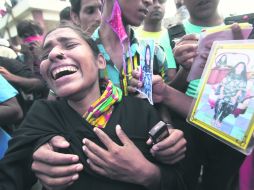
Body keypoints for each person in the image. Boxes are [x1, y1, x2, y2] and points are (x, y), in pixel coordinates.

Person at [0, 25, 186, 190]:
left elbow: (178, 181)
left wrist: (147, 174)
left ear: (100, 61)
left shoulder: (141, 111)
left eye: (70, 45)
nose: (54, 54)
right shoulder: (41, 115)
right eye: (45, 54)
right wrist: (33, 157)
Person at [131, 1, 246, 190]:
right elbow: (167, 88)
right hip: (186, 123)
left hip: (230, 126)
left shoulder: (241, 29)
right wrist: (185, 70)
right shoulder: (172, 34)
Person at [135, 0, 176, 81]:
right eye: (153, 1)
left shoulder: (172, 38)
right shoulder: (133, 38)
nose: (157, 5)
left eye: (161, 1)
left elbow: (172, 77)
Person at [213, 62, 247, 127]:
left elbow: (240, 90)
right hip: (224, 93)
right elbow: (222, 85)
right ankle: (215, 117)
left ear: (243, 69)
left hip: (233, 96)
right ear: (235, 67)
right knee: (219, 103)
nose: (239, 68)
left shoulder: (243, 79)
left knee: (231, 107)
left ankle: (220, 119)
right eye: (238, 66)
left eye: (241, 67)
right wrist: (221, 93)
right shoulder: (229, 75)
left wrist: (235, 97)